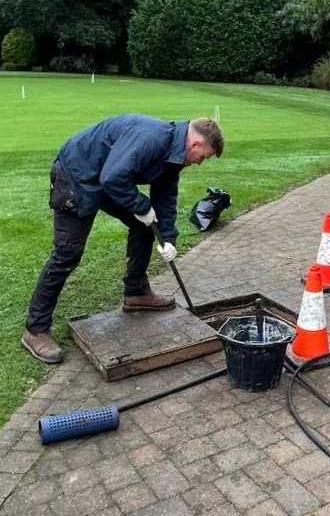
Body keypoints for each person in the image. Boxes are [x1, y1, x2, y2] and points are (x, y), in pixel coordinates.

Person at [22, 114, 224, 363]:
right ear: (195, 144)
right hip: (77, 174)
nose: (200, 163)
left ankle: (136, 292)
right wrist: (140, 206)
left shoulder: (175, 155)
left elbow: (165, 194)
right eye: (203, 157)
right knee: (67, 253)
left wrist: (168, 238)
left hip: (106, 176)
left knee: (145, 227)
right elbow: (113, 178)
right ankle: (35, 330)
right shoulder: (154, 138)